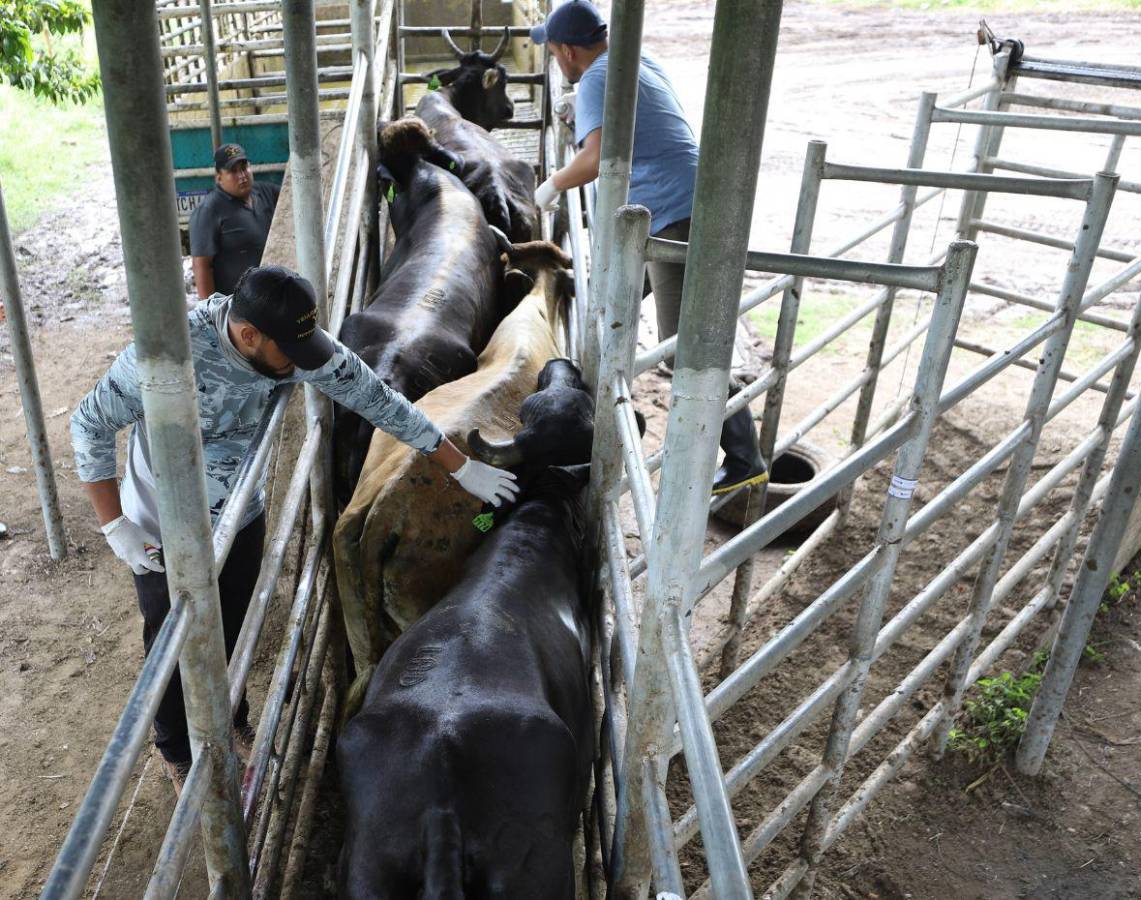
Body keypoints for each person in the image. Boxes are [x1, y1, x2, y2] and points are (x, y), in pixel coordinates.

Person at [70, 266, 517, 793]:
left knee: (231, 629)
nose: (301, 363)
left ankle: (229, 722)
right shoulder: (167, 356)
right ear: (248, 335)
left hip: (241, 512)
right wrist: (114, 525)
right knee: (171, 639)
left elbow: (376, 398)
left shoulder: (295, 347)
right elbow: (90, 421)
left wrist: (458, 464)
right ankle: (176, 751)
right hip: (160, 527)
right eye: (291, 351)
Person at [531, 1, 767, 494]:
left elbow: (596, 159)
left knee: (686, 346)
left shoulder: (597, 79)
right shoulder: (635, 59)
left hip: (671, 214)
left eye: (554, 53)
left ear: (569, 52)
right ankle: (593, 396)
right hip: (675, 200)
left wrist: (552, 185)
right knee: (611, 296)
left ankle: (745, 456)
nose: (556, 62)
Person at [189, 143, 281, 300]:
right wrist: (212, 311)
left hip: (271, 298)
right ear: (219, 178)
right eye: (233, 171)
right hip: (237, 306)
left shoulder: (266, 193)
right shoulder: (209, 210)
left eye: (244, 168)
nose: (242, 176)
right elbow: (202, 266)